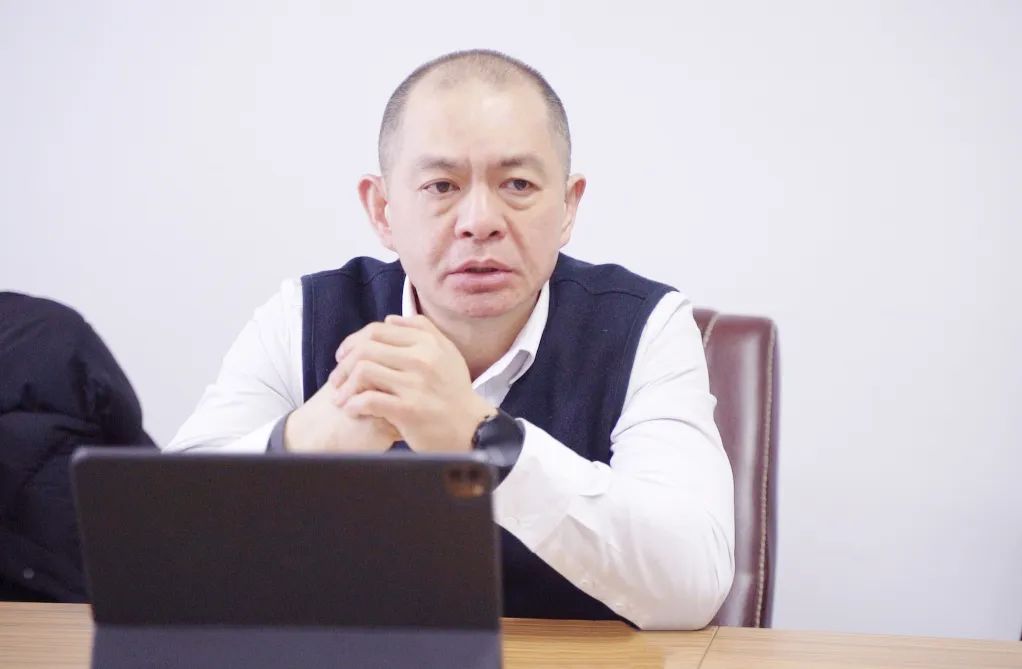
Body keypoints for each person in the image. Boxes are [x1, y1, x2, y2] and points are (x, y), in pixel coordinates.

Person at [167, 49, 734, 630]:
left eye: (517, 183)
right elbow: (160, 556)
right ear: (383, 210)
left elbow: (692, 584)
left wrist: (481, 437)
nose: (479, 221)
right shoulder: (302, 316)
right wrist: (310, 440)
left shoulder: (647, 326)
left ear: (567, 207)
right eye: (441, 185)